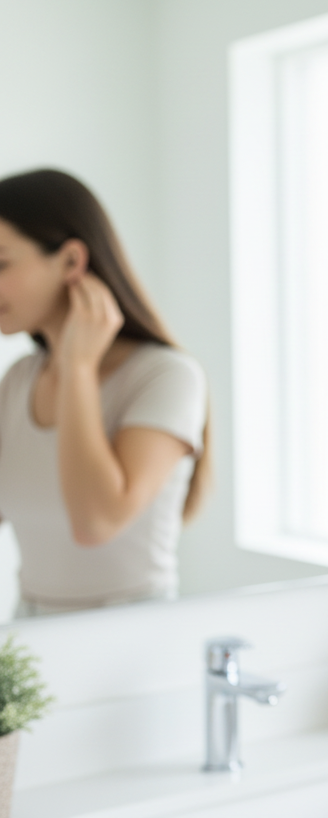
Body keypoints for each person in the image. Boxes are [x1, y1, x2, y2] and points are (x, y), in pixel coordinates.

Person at [0, 169, 209, 615]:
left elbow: (96, 522)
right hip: (31, 639)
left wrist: (77, 366)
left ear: (71, 261)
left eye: (1, 263)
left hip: (129, 644)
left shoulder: (166, 376)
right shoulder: (19, 379)